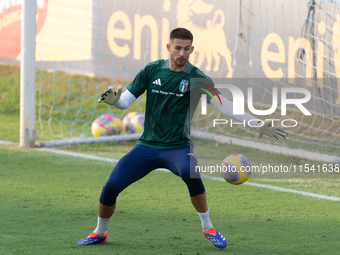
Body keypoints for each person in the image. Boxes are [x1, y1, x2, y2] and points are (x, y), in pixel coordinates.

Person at [76, 28, 288, 249]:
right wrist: (114, 101)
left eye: (186, 49)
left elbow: (223, 104)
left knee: (190, 172)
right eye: (177, 48)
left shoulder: (197, 77)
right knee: (111, 186)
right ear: (169, 47)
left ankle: (208, 227)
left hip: (178, 147)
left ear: (192, 49)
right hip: (147, 146)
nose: (181, 53)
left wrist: (258, 123)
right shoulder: (151, 70)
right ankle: (100, 232)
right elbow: (125, 102)